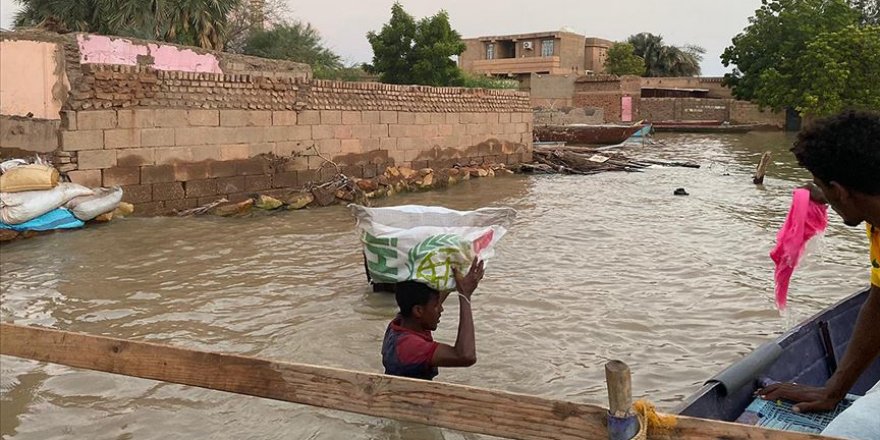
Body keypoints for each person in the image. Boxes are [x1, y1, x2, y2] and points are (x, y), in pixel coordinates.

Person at [758, 110, 880, 438]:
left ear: (840, 190)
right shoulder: (876, 222)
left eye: (823, 186)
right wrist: (834, 390)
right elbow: (879, 305)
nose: (821, 196)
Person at [381, 257, 484, 380]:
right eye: (436, 306)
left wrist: (456, 274)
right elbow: (466, 356)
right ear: (418, 311)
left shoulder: (402, 322)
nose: (441, 309)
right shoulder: (410, 346)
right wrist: (465, 296)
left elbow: (429, 302)